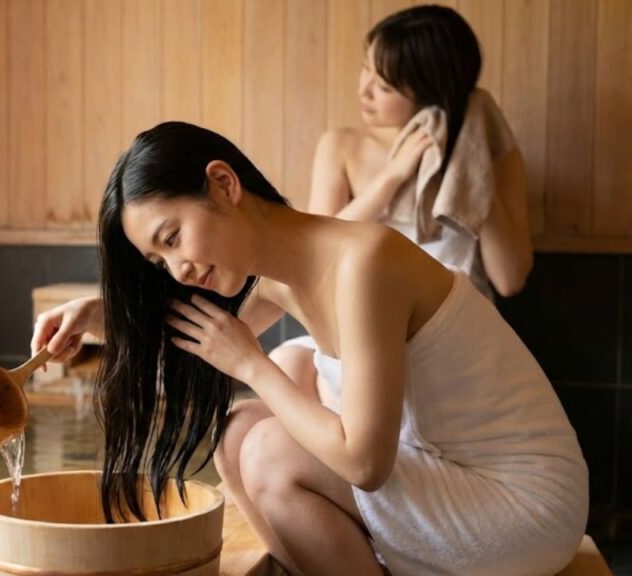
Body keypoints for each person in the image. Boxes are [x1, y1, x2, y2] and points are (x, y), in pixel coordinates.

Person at [30, 121, 587, 576]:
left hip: (523, 508)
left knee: (271, 446)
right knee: (236, 432)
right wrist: (98, 316)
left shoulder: (366, 263)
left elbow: (365, 465)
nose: (178, 269)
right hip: (454, 481)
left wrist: (250, 361)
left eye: (172, 238)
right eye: (160, 261)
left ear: (223, 184)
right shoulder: (283, 273)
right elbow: (186, 334)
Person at [273, 4, 535, 413]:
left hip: (450, 330)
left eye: (385, 85)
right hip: (367, 318)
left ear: (430, 89)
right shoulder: (343, 146)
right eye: (366, 71)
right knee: (287, 363)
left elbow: (510, 278)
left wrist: (475, 165)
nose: (364, 91)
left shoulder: (493, 157)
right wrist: (391, 178)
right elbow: (313, 248)